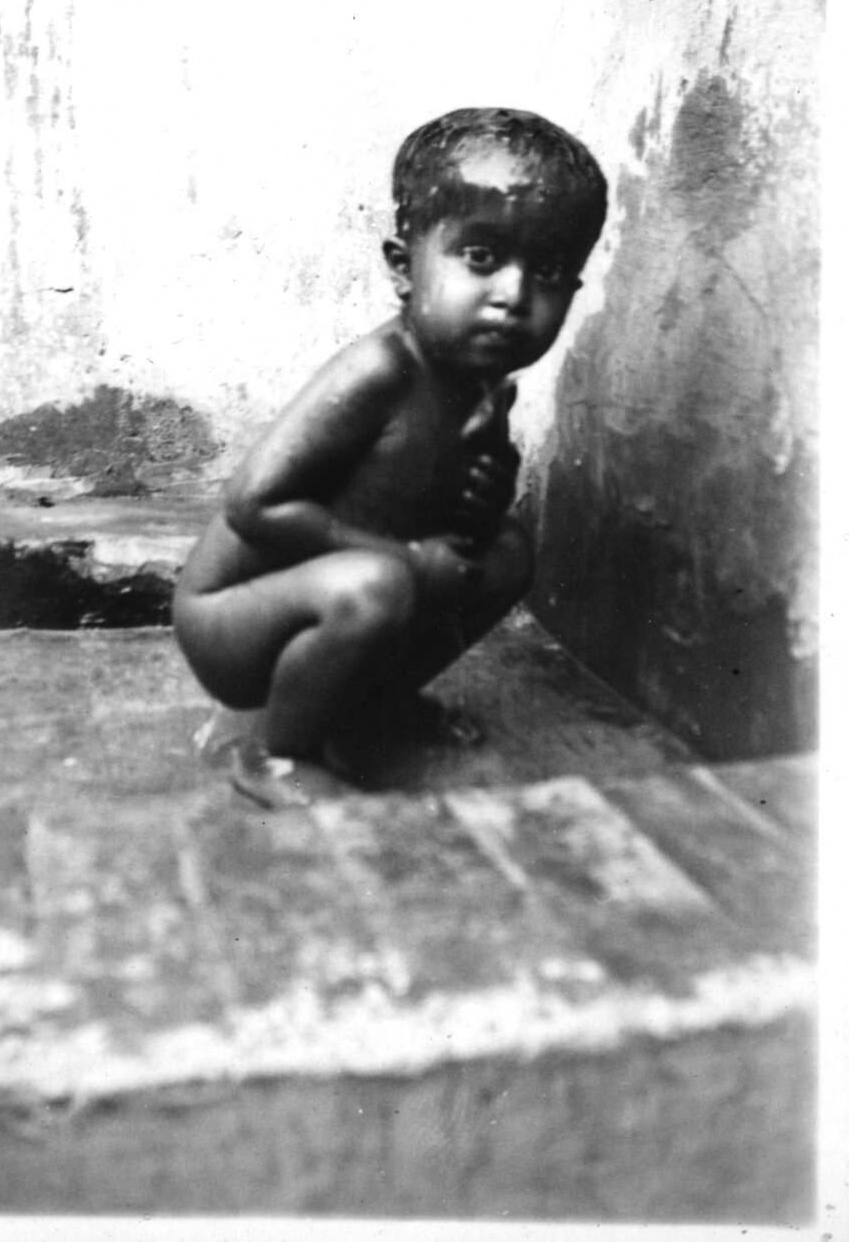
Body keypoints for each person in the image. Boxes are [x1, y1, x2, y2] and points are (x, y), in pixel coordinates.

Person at [174, 107, 607, 797]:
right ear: (405, 268)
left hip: (343, 579)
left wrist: (484, 495)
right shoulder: (379, 371)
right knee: (378, 587)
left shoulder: (482, 384)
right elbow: (254, 504)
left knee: (506, 554)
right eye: (483, 258)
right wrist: (405, 560)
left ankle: (363, 702)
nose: (514, 296)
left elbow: (442, 512)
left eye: (549, 270)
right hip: (231, 617)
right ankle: (280, 754)